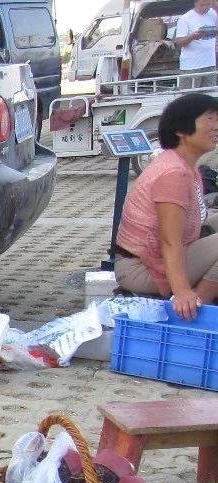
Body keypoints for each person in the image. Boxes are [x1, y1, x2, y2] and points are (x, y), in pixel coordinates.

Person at [114, 93, 218, 320]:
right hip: (141, 269)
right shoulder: (173, 173)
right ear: (181, 130)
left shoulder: (183, 165)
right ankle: (191, 311)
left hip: (157, 258)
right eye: (209, 120)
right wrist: (181, 291)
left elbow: (195, 217)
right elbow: (170, 241)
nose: (216, 127)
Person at [172, 0, 218, 86]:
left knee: (210, 95)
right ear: (195, 3)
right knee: (190, 96)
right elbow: (179, 42)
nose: (205, 7)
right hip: (191, 66)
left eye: (208, 5)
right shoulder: (185, 18)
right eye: (202, 5)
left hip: (210, 64)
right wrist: (193, 36)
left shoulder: (213, 14)